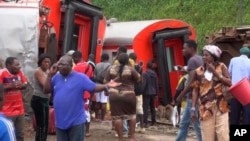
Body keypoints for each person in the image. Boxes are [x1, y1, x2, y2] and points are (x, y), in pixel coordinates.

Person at [43, 55, 121, 141]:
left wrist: (106, 86)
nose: (60, 67)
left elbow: (93, 87)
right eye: (59, 64)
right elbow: (46, 90)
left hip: (76, 121)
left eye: (63, 64)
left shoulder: (80, 78)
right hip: (60, 122)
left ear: (70, 66)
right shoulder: (56, 77)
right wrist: (50, 75)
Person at [191, 45, 231, 141]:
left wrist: (215, 72)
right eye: (203, 55)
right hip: (205, 109)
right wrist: (192, 108)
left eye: (206, 55)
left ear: (213, 56)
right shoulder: (198, 71)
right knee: (207, 138)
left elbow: (229, 82)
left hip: (221, 107)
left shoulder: (221, 67)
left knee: (223, 137)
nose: (203, 57)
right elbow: (195, 90)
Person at [104, 53, 140, 141]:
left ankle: (120, 138)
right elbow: (139, 79)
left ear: (118, 60)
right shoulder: (130, 69)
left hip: (114, 95)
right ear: (128, 60)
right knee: (131, 116)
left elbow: (105, 81)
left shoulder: (111, 69)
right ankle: (132, 137)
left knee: (117, 117)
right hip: (128, 95)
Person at [175, 40, 202, 141]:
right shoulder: (199, 59)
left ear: (192, 49)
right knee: (184, 123)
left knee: (197, 124)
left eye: (185, 48)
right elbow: (197, 73)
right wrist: (186, 70)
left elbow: (191, 83)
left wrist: (180, 96)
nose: (183, 50)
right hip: (197, 95)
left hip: (193, 97)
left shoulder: (191, 60)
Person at [0, 57, 28, 141]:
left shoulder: (19, 73)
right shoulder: (2, 73)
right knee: (8, 133)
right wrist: (10, 86)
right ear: (9, 65)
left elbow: (25, 84)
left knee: (20, 135)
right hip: (6, 111)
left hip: (20, 110)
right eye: (17, 65)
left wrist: (21, 85)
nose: (19, 67)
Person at [72, 51, 93, 137]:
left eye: (74, 59)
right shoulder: (89, 66)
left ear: (77, 57)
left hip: (78, 92)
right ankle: (87, 130)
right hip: (87, 92)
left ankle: (78, 129)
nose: (73, 60)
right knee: (86, 111)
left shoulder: (76, 67)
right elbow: (90, 77)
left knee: (77, 111)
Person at [31, 53, 52, 141]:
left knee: (46, 124)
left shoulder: (48, 71)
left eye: (48, 62)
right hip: (38, 99)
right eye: (45, 62)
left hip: (46, 99)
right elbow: (44, 85)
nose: (47, 64)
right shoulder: (38, 71)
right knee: (41, 124)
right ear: (40, 62)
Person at [228, 46, 250, 125]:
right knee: (247, 118)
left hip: (235, 92)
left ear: (240, 52)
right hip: (247, 92)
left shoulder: (233, 60)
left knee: (234, 117)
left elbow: (229, 73)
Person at [129, 52, 145, 133]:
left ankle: (131, 128)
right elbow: (141, 79)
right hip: (138, 89)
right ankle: (142, 127)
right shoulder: (139, 67)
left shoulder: (128, 67)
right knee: (139, 108)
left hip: (130, 89)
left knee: (131, 109)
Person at [93, 53, 111, 121]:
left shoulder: (97, 65)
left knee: (97, 101)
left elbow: (94, 76)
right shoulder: (110, 66)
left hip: (97, 84)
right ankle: (102, 118)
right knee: (104, 102)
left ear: (102, 58)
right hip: (105, 85)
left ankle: (96, 117)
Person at [141, 61, 158, 128]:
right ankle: (153, 121)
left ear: (146, 66)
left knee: (145, 107)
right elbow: (156, 84)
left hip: (146, 92)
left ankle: (145, 122)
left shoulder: (145, 74)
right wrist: (156, 93)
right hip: (153, 92)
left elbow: (144, 84)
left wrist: (141, 91)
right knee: (152, 107)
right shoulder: (155, 74)